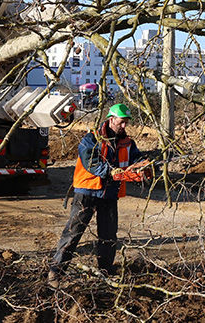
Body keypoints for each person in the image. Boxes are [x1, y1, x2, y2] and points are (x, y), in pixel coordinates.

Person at [49, 103, 145, 286]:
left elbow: (135, 159)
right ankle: (55, 273)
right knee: (73, 233)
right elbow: (90, 163)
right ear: (111, 119)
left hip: (110, 193)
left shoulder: (128, 143)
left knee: (109, 235)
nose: (124, 126)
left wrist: (144, 165)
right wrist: (111, 172)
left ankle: (106, 272)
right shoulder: (91, 139)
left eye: (126, 123)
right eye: (121, 122)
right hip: (87, 191)